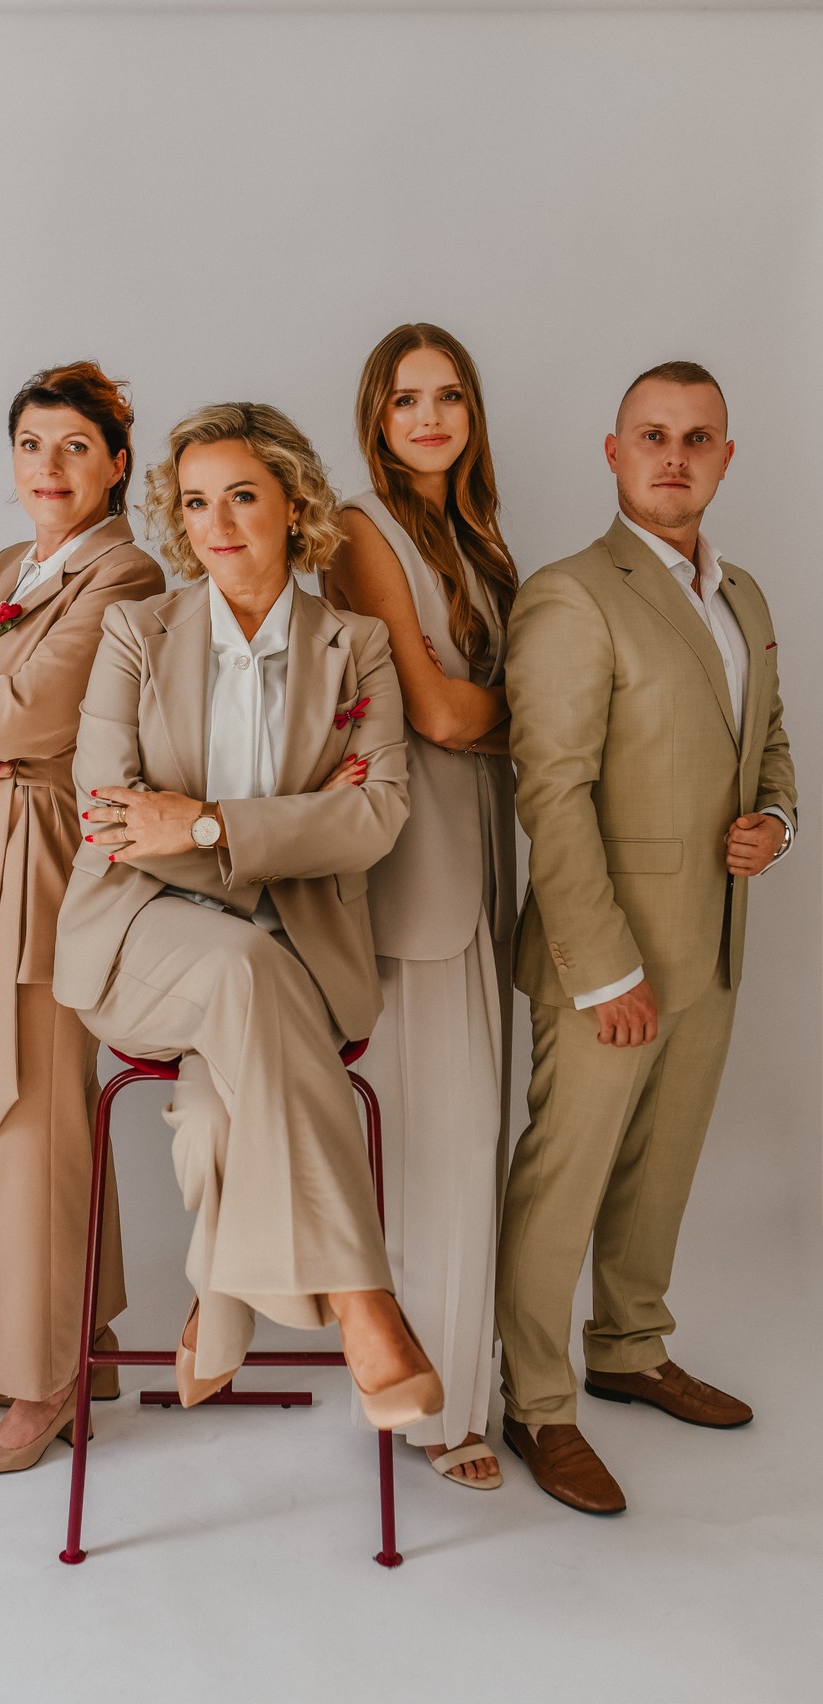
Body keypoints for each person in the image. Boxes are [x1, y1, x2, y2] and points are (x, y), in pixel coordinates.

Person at [52, 401, 443, 1429]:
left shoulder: (356, 647)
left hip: (296, 961)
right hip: (141, 939)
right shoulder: (139, 633)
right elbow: (111, 820)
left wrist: (203, 823)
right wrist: (292, 826)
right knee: (240, 966)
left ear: (293, 504)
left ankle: (218, 1305)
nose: (216, 524)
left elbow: (377, 819)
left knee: (214, 1120)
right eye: (194, 503)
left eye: (241, 496)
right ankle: (364, 1303)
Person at [496, 361, 797, 1513]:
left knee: (660, 1171)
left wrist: (776, 823)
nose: (676, 455)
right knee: (565, 1182)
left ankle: (629, 1349)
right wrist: (603, 968)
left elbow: (771, 745)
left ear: (726, 458)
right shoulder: (572, 595)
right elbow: (552, 792)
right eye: (653, 435)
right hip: (606, 959)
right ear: (614, 452)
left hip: (713, 944)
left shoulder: (746, 597)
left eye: (698, 437)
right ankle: (537, 1402)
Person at [0, 362, 164, 1473]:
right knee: (44, 1114)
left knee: (30, 1119)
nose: (48, 467)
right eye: (30, 445)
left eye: (73, 447)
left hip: (45, 869)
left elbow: (25, 715)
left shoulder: (126, 572)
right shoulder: (11, 565)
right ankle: (84, 1339)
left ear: (116, 465)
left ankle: (40, 1377)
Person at [322, 323, 518, 1487]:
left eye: (449, 397)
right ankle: (434, 1413)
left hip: (482, 853)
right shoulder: (363, 526)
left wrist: (488, 709)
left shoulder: (475, 533)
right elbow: (438, 713)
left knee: (474, 1132)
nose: (432, 418)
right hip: (413, 863)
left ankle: (462, 1379)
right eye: (408, 400)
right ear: (378, 418)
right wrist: (532, 707)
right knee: (435, 1135)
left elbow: (463, 704)